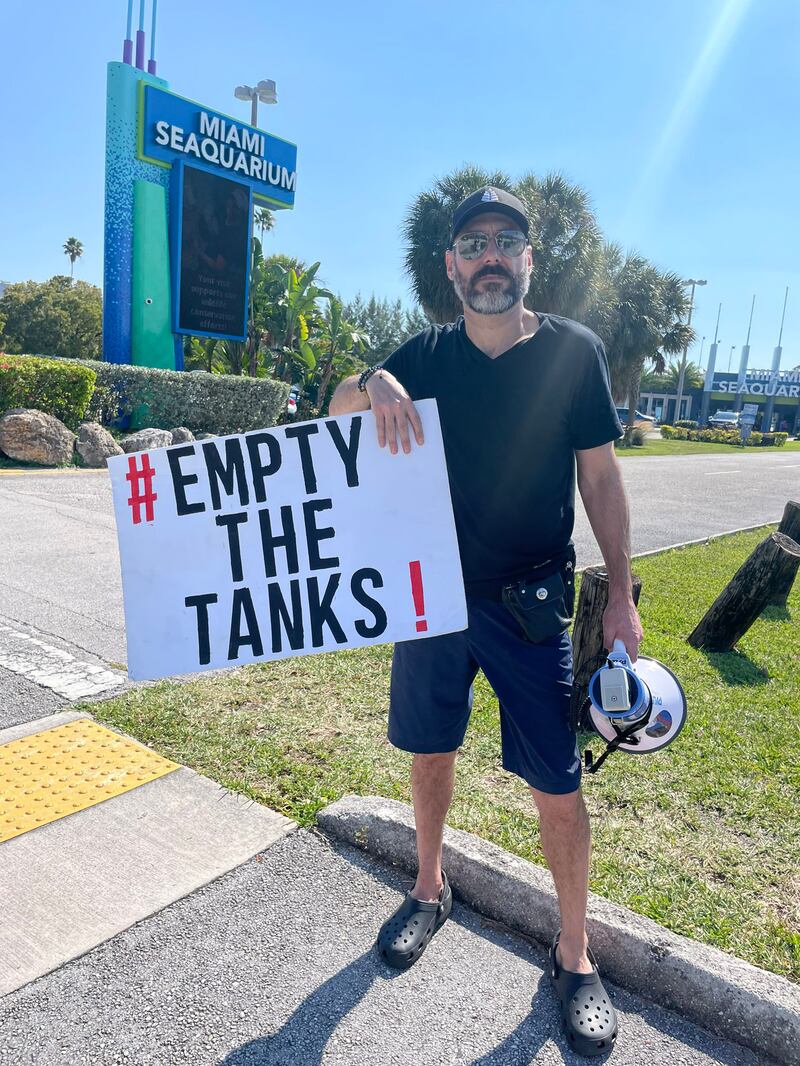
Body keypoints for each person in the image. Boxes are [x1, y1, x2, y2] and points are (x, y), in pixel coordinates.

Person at [329, 186, 643, 1058]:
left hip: (530, 602)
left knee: (557, 779)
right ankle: (430, 890)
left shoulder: (573, 353)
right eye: (474, 246)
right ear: (451, 266)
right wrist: (371, 379)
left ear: (530, 259)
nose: (490, 258)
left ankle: (573, 954)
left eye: (507, 242)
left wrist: (619, 594)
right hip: (429, 597)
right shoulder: (424, 354)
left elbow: (602, 482)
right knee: (432, 750)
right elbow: (335, 418)